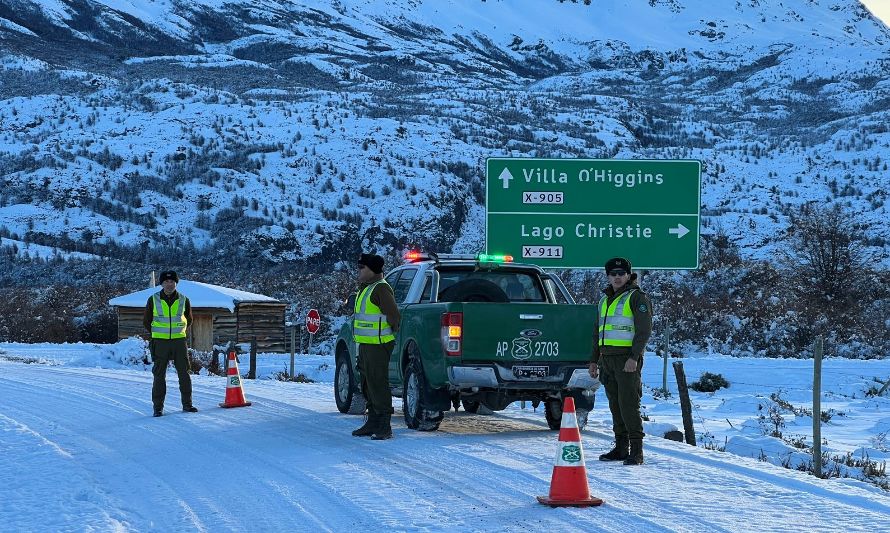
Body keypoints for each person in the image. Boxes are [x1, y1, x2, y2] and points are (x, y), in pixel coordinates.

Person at [588, 257, 653, 465]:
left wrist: (634, 357)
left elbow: (644, 331)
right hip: (607, 360)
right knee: (615, 406)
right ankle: (621, 447)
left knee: (629, 405)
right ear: (608, 276)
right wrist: (593, 360)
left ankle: (637, 451)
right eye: (613, 274)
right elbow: (597, 333)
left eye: (621, 274)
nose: (617, 277)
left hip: (626, 360)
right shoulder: (604, 300)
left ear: (628, 275)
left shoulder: (637, 297)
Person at [350, 253, 401, 440]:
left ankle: (384, 425)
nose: (359, 271)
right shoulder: (367, 288)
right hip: (366, 345)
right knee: (367, 383)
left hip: (378, 345)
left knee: (378, 384)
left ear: (372, 270)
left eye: (362, 268)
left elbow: (394, 316)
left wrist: (387, 338)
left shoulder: (380, 289)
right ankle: (372, 421)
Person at [144, 270, 198, 417]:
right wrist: (157, 334)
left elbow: (189, 319)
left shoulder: (184, 299)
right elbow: (146, 321)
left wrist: (179, 331)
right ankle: (158, 408)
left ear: (176, 283)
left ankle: (187, 405)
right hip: (160, 343)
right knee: (159, 376)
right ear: (161, 283)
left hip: (179, 342)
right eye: (166, 282)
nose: (169, 284)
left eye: (172, 281)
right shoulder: (153, 299)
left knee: (184, 374)